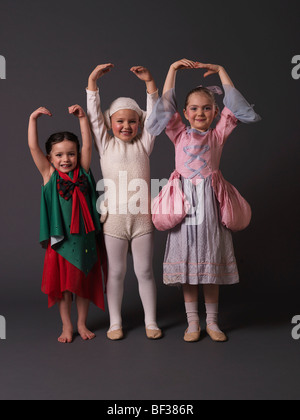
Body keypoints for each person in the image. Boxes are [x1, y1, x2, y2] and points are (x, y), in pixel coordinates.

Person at [146, 59, 261, 342]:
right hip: (183, 204)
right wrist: (172, 70)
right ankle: (192, 322)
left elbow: (238, 108)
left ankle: (212, 321)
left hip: (211, 202)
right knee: (187, 263)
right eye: (194, 108)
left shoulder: (218, 134)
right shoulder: (177, 133)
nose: (200, 113)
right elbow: (165, 109)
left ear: (215, 112)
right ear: (185, 113)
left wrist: (223, 71)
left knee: (209, 263)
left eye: (207, 108)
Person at [86, 64, 162, 340]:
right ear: (110, 124)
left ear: (140, 124)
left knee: (144, 271)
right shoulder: (105, 144)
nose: (126, 126)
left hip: (142, 217)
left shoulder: (145, 144)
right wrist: (93, 81)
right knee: (116, 272)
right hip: (115, 219)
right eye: (120, 121)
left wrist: (150, 83)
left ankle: (151, 322)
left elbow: (155, 115)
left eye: (132, 121)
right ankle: (115, 323)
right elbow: (94, 117)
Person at [28, 104, 107, 343]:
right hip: (61, 242)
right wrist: (33, 119)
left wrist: (83, 118)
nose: (66, 159)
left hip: (84, 239)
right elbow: (32, 146)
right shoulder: (49, 175)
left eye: (71, 153)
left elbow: (89, 143)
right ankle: (67, 326)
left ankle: (82, 323)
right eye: (59, 155)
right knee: (64, 289)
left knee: (83, 284)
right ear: (50, 157)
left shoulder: (83, 171)